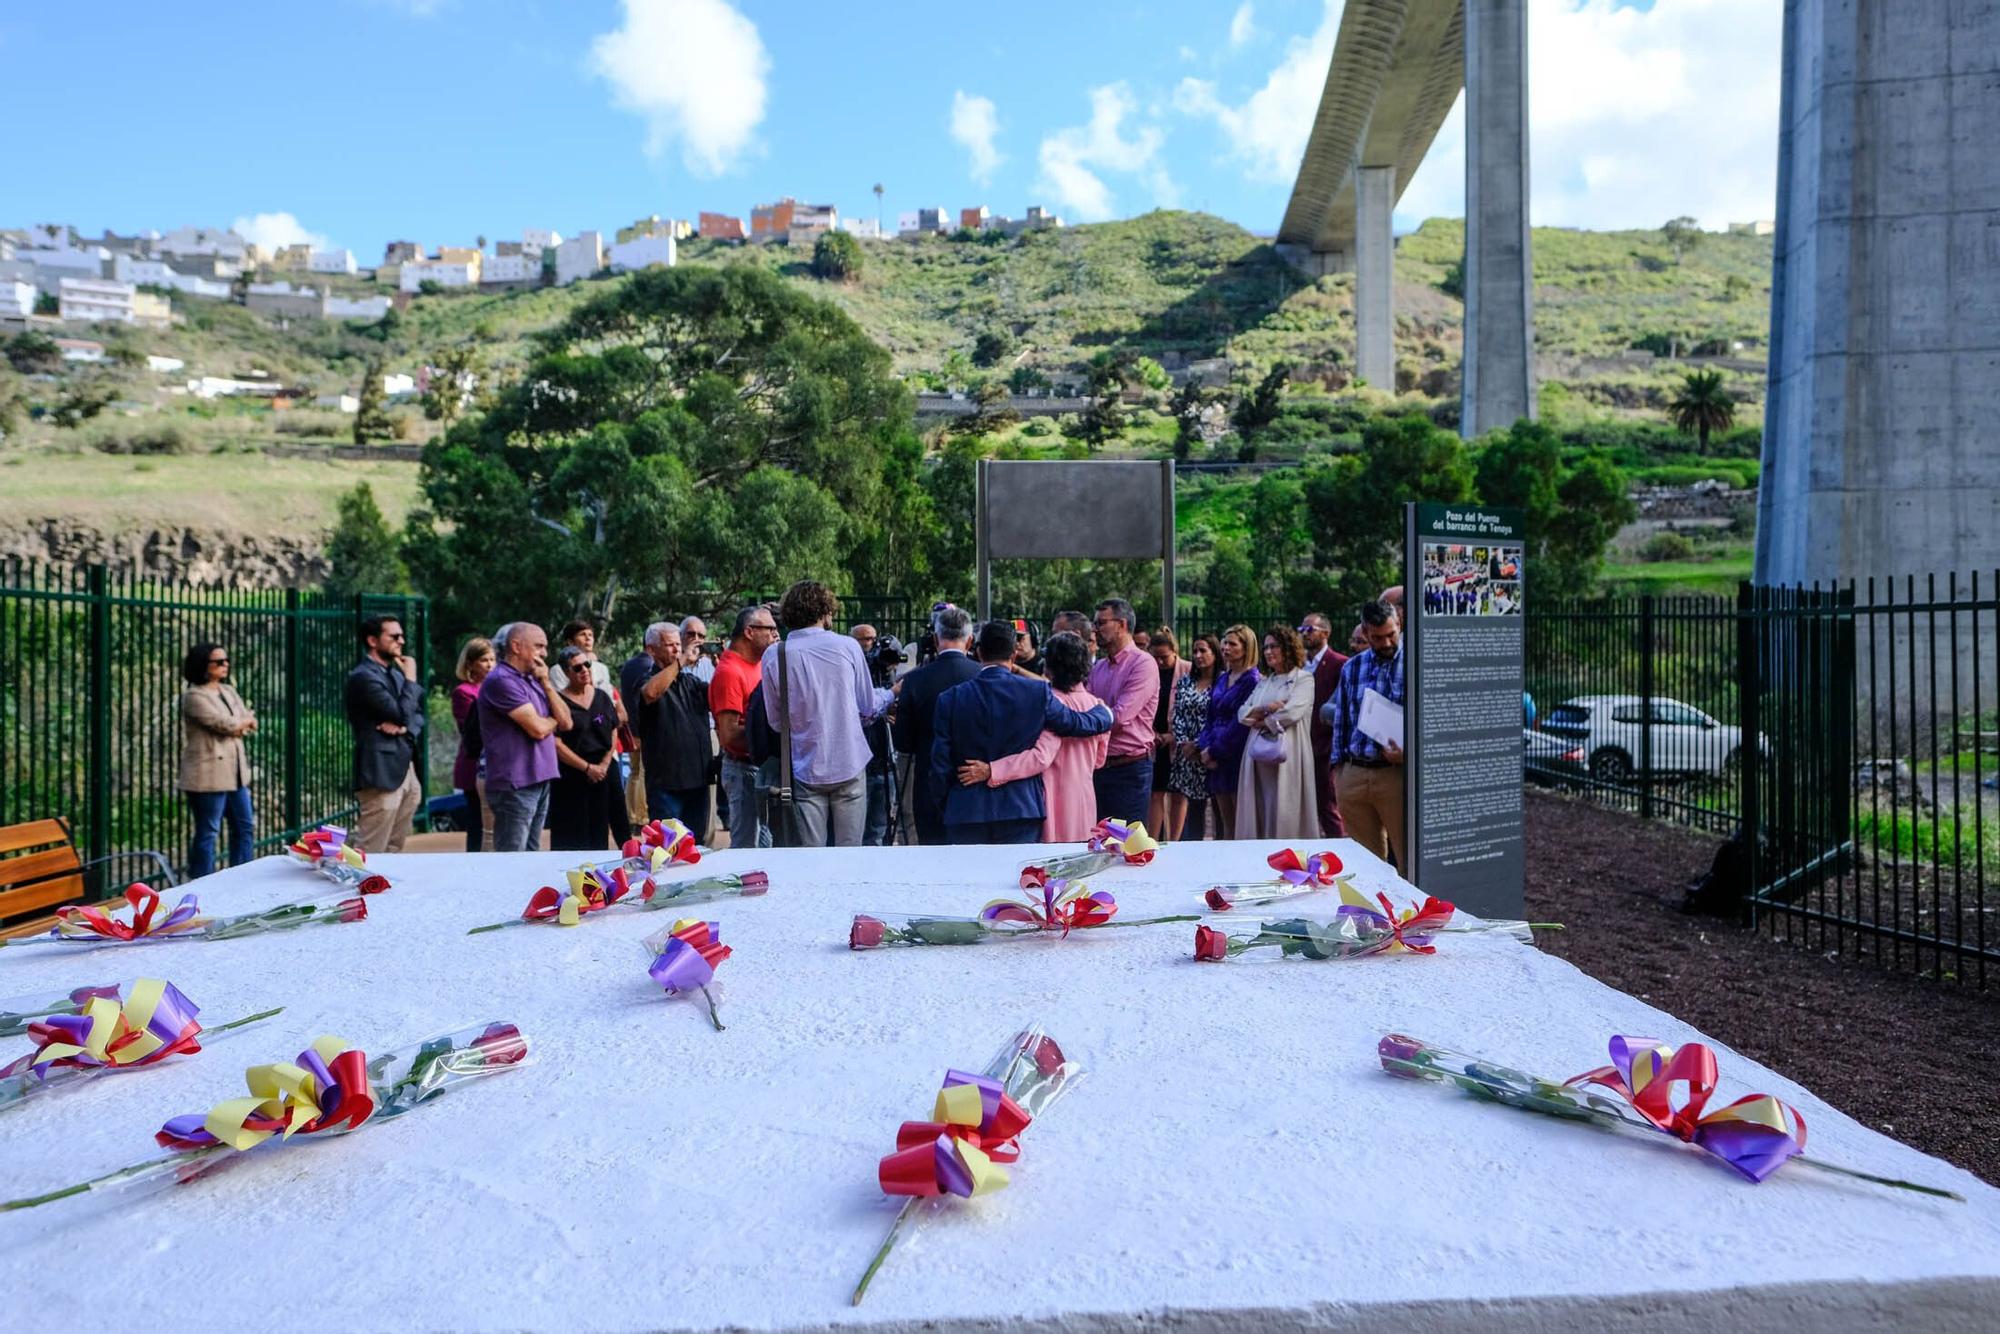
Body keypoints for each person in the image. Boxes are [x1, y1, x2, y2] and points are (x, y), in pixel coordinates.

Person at [933, 621, 1113, 843]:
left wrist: (947, 803)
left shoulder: (949, 699)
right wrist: (1106, 715)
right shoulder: (1036, 693)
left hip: (965, 809)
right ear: (1014, 653)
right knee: (1019, 877)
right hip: (1021, 808)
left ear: (978, 652)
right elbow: (1074, 723)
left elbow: (940, 763)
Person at [761, 581, 893, 847]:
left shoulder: (776, 654)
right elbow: (867, 706)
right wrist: (891, 693)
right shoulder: (847, 646)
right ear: (825, 611)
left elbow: (776, 722)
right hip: (849, 761)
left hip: (805, 765)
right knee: (849, 854)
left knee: (811, 858)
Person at [889, 605, 980, 845]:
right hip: (975, 781)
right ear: (969, 641)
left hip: (928, 780)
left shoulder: (915, 680)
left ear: (935, 638)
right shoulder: (981, 675)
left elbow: (903, 742)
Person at [477, 622, 571, 852]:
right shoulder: (501, 680)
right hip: (515, 783)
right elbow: (538, 728)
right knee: (513, 857)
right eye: (539, 646)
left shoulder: (533, 678)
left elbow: (567, 721)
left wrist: (547, 683)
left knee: (531, 853)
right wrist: (552, 720)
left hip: (540, 777)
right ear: (516, 646)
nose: (544, 654)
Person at [1327, 600, 1407, 867]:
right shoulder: (1352, 667)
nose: (1385, 643)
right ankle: (1374, 909)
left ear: (1399, 625)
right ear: (1364, 631)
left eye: (1390, 635)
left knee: (1409, 859)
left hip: (1395, 775)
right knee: (1367, 864)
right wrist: (1339, 771)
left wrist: (1409, 755)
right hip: (1354, 775)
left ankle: (1411, 909)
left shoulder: (1417, 664)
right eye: (1376, 637)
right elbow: (1342, 722)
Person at [620, 621, 712, 834]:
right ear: (651, 650)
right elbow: (651, 692)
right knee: (667, 849)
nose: (677, 649)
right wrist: (680, 662)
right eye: (670, 645)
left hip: (698, 782)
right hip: (666, 785)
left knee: (695, 849)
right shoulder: (645, 679)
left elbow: (719, 698)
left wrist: (722, 663)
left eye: (678, 645)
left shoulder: (690, 682)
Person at [344, 615, 425, 855]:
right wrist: (411, 678)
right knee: (371, 847)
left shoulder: (394, 674)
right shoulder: (363, 677)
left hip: (405, 765)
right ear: (372, 640)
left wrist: (403, 728)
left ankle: (384, 889)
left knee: (395, 846)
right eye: (394, 636)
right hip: (380, 770)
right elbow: (401, 712)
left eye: (401, 635)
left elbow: (418, 715)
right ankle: (359, 889)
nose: (401, 641)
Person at [178, 642, 255, 878]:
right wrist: (240, 723)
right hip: (208, 775)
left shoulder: (228, 691)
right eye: (219, 662)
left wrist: (240, 723)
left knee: (244, 827)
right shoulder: (193, 696)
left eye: (226, 660)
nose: (225, 665)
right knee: (208, 831)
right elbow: (224, 724)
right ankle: (202, 881)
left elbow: (249, 720)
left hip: (235, 773)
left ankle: (242, 876)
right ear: (204, 665)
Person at [1235, 625, 1318, 839]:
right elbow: (1242, 713)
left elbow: (1292, 712)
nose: (1269, 651)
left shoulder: (1303, 679)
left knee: (1285, 809)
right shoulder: (1264, 682)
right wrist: (1267, 709)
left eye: (1274, 646)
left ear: (1288, 648)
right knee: (1259, 808)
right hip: (1257, 758)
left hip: (1288, 755)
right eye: (1266, 647)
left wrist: (1264, 720)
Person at [1087, 598, 1160, 826]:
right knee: (1100, 845)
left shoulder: (1143, 664)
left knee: (1127, 846)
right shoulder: (1098, 667)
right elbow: (1084, 706)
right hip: (1099, 767)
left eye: (1101, 623)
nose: (1095, 629)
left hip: (1130, 770)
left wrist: (1085, 720)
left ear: (1122, 624)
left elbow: (1119, 717)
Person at [711, 605, 778, 850]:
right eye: (769, 629)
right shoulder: (730, 672)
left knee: (765, 844)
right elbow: (729, 735)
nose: (775, 634)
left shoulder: (759, 664)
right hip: (742, 769)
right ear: (749, 632)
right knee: (746, 848)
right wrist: (771, 739)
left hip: (758, 766)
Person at [547, 645, 627, 850]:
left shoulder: (601, 696)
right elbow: (556, 743)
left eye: (587, 664)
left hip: (603, 772)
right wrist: (587, 768)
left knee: (600, 830)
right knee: (573, 835)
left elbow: (612, 727)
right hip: (572, 776)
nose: (584, 670)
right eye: (577, 668)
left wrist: (604, 764)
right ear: (566, 672)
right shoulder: (559, 702)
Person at [1196, 624, 1260, 838]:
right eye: (1224, 642)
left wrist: (1215, 751)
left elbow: (1241, 723)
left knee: (1239, 822)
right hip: (1214, 754)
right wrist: (1204, 747)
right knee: (1223, 823)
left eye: (1232, 644)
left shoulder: (1252, 680)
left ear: (1246, 647)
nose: (1225, 647)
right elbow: (1211, 715)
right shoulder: (1223, 677)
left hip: (1235, 756)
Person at [850, 625, 896, 846]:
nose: (870, 645)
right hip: (860, 761)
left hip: (884, 756)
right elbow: (863, 708)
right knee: (855, 830)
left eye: (873, 639)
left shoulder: (884, 669)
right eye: (865, 640)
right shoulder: (849, 669)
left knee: (880, 827)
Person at [1146, 627, 1193, 840]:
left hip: (1178, 738)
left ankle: (1175, 840)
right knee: (1156, 792)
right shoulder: (1148, 670)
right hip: (1154, 738)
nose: (1160, 662)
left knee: (1178, 793)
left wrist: (1175, 734)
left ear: (1175, 651)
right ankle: (1152, 839)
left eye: (1164, 657)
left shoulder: (1188, 670)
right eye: (1155, 657)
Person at [1171, 634, 1219, 840]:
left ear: (1215, 654)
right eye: (1195, 651)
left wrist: (1200, 744)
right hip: (1187, 754)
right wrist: (1184, 744)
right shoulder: (1186, 681)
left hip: (1211, 751)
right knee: (1193, 807)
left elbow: (1219, 717)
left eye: (1203, 651)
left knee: (1218, 806)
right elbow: (1177, 713)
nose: (1198, 656)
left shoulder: (1222, 682)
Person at [451, 637, 495, 852]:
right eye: (484, 660)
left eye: (493, 659)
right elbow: (471, 729)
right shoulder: (464, 692)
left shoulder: (496, 687)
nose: (490, 665)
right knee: (478, 824)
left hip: (496, 765)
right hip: (474, 765)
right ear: (470, 664)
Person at [1307, 623, 1351, 839]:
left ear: (1325, 632)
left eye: (1309, 629)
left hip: (1325, 745)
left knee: (1328, 805)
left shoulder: (1340, 663)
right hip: (1305, 744)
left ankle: (1339, 848)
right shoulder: (1302, 664)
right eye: (1301, 629)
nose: (1303, 634)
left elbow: (1341, 707)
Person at [558, 618, 614, 694]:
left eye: (590, 635)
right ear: (570, 642)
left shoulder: (602, 668)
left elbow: (609, 697)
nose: (588, 638)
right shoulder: (559, 670)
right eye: (582, 634)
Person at [680, 615, 715, 685]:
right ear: (680, 636)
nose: (696, 639)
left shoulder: (711, 665)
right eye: (691, 634)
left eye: (700, 636)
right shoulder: (671, 664)